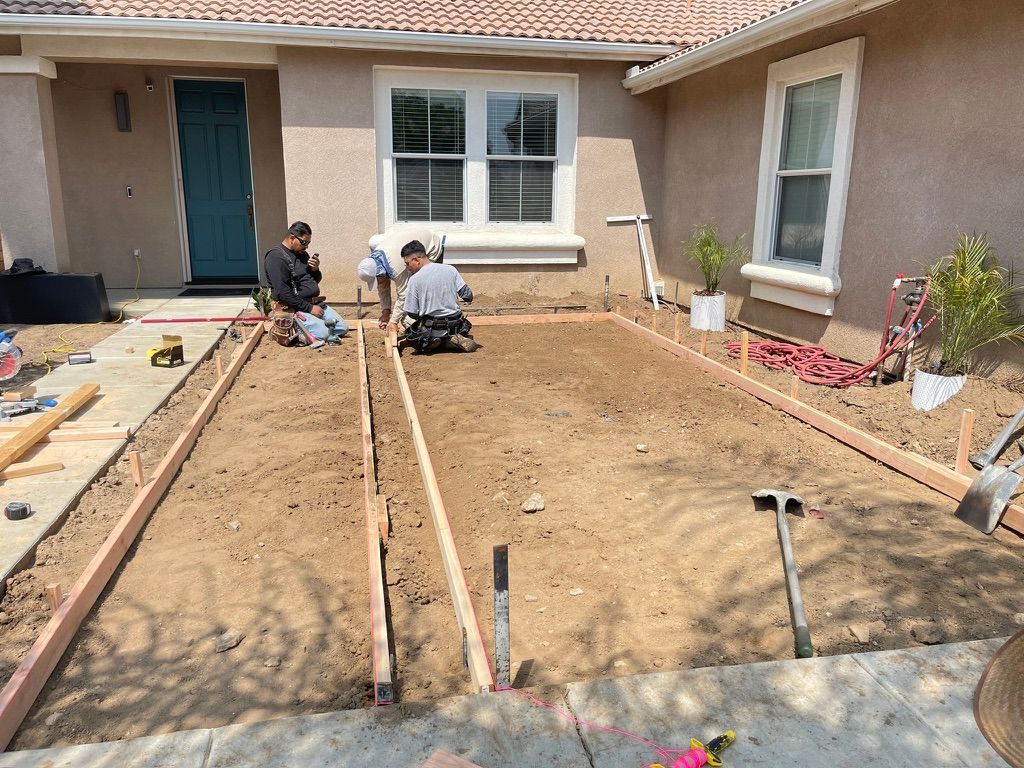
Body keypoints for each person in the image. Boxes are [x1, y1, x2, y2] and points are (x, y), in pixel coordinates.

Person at [264, 222, 348, 344]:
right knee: (323, 334)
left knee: (342, 328)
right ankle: (287, 331)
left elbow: (313, 280)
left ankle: (315, 328)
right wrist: (309, 308)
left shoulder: (302, 254)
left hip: (315, 304)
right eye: (304, 242)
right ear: (292, 238)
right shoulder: (276, 257)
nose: (306, 247)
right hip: (296, 307)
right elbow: (283, 293)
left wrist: (315, 270)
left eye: (308, 243)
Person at [356, 228, 445, 331]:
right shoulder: (376, 262)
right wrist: (386, 313)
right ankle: (424, 325)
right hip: (412, 246)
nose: (379, 283)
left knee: (425, 288)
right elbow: (383, 288)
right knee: (409, 308)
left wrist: (393, 322)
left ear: (379, 273)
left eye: (377, 280)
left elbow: (403, 295)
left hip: (431, 246)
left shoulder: (397, 266)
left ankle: (434, 328)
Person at [401, 240, 478, 353]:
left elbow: (412, 313)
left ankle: (432, 341)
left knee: (406, 320)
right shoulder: (451, 269)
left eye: (407, 263)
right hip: (455, 324)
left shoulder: (414, 279)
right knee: (453, 322)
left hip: (433, 326)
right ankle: (452, 339)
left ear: (416, 260)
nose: (407, 267)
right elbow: (468, 296)